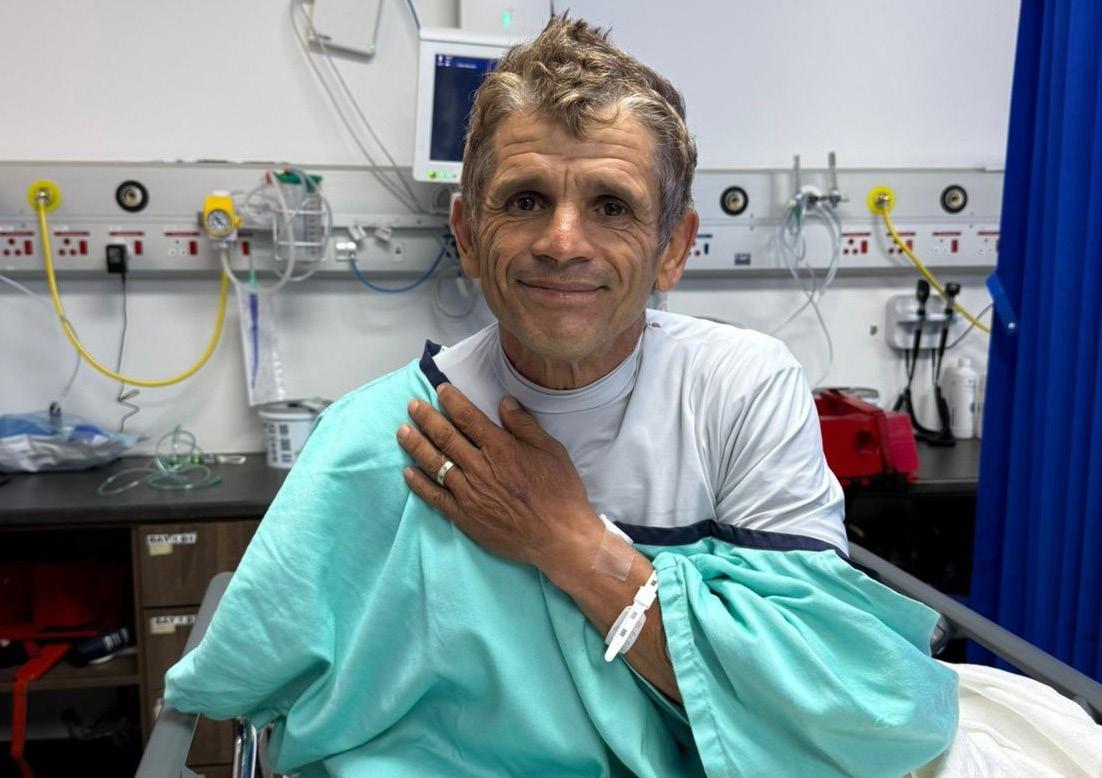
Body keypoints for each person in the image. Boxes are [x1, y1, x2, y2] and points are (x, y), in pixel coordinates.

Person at [166, 16, 958, 776]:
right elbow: (250, 684)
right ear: (467, 234)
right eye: (525, 200)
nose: (562, 241)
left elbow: (823, 698)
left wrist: (569, 542)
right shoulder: (380, 435)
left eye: (612, 206)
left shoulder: (738, 394)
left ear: (673, 248)